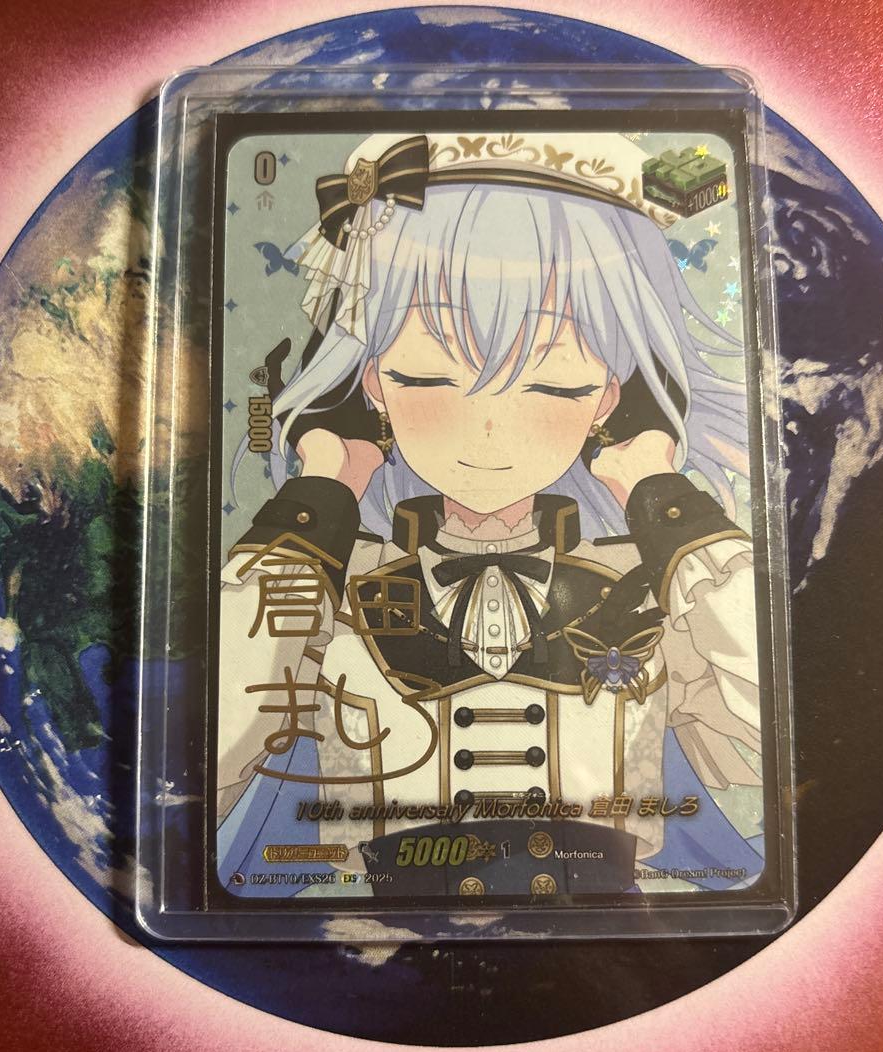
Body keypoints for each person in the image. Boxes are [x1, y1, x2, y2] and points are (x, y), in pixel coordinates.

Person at [215, 131, 764, 899]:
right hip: (380, 940)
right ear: (373, 384)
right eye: (429, 377)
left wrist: (662, 499)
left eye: (551, 385)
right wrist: (318, 502)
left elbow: (781, 728)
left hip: (611, 939)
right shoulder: (329, 586)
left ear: (608, 398)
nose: (488, 429)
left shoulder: (655, 583)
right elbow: (207, 759)